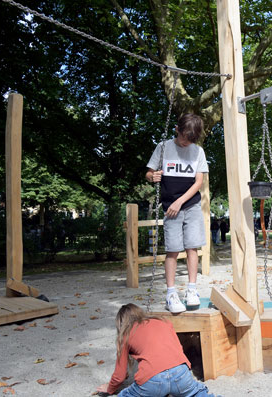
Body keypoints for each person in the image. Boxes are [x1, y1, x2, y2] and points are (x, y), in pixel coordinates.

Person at [146, 114, 208, 313]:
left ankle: (191, 289)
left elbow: (199, 182)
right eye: (183, 138)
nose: (185, 143)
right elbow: (148, 172)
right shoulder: (163, 147)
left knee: (192, 247)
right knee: (172, 249)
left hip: (190, 204)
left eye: (189, 140)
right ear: (176, 129)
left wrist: (180, 202)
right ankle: (171, 293)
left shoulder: (198, 151)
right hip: (169, 207)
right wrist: (152, 176)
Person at [96, 304, 214, 396]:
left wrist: (110, 388)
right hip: (180, 373)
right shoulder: (163, 322)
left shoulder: (125, 334)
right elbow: (179, 348)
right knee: (197, 393)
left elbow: (119, 375)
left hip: (152, 380)